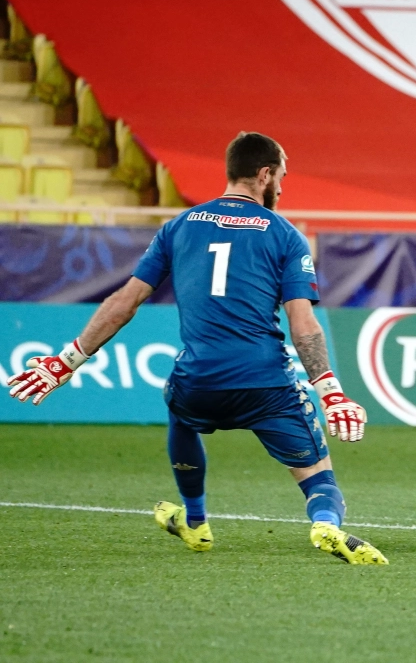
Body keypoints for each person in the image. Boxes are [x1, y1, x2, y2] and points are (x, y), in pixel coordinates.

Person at [7, 132, 387, 565]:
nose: (281, 188)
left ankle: (196, 520)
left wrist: (66, 361)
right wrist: (330, 391)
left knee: (180, 408)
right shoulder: (285, 236)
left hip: (199, 378)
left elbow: (123, 304)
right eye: (280, 177)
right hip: (266, 382)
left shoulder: (179, 226)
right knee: (318, 476)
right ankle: (325, 525)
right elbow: (302, 325)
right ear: (264, 174)